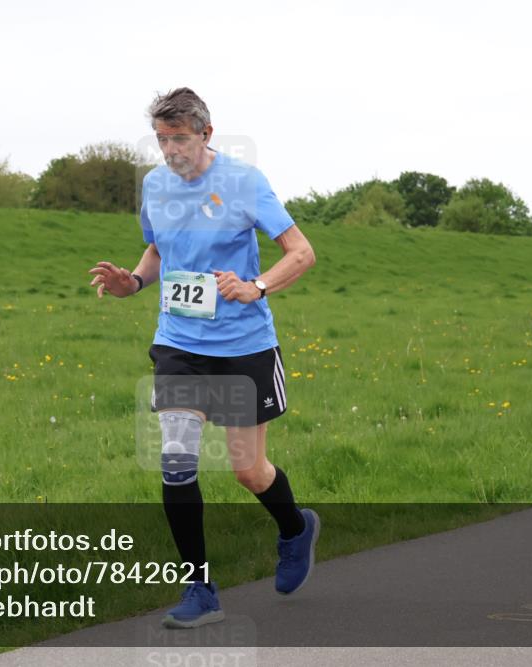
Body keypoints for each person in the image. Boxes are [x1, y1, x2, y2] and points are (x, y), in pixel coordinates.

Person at [88, 87, 318, 629]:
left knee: (248, 470)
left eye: (181, 139)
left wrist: (256, 286)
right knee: (177, 461)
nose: (170, 151)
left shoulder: (244, 182)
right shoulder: (155, 185)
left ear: (206, 135)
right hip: (179, 345)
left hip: (243, 347)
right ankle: (201, 589)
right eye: (162, 140)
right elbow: (159, 248)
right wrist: (135, 281)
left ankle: (295, 529)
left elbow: (301, 252)